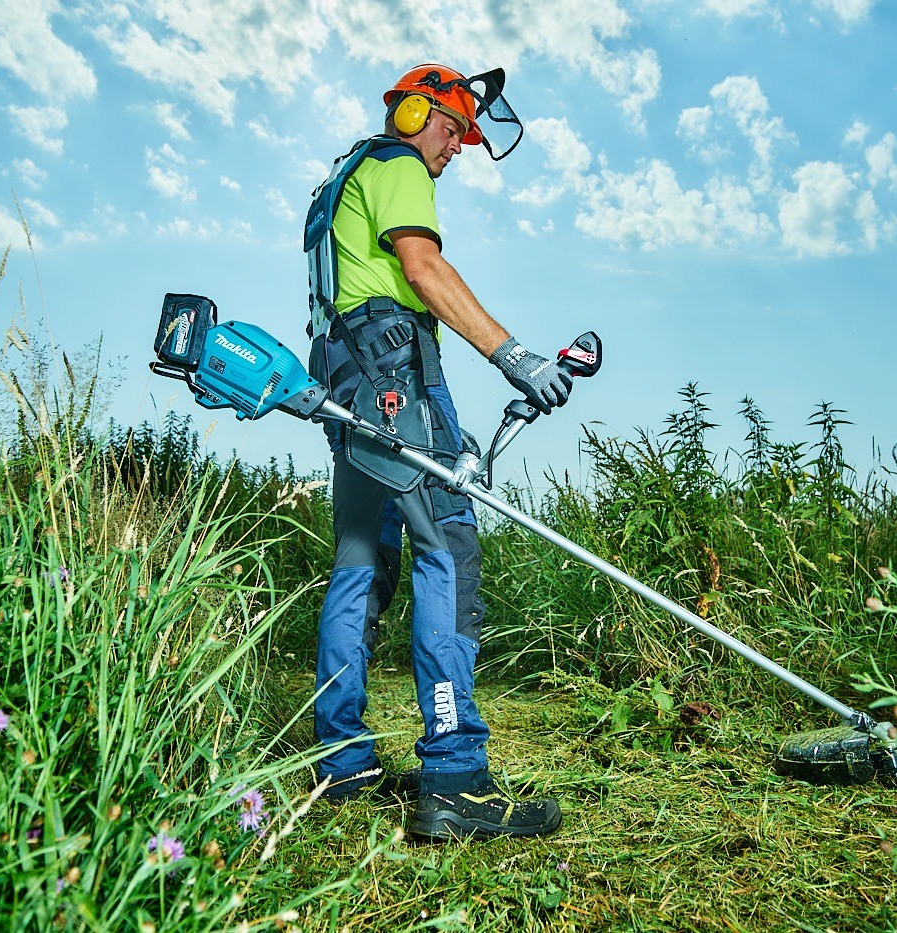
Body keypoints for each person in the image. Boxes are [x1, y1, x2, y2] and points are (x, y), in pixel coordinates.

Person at [302, 64, 571, 840]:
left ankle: (342, 759)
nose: (455, 148)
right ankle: (456, 778)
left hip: (347, 380)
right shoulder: (394, 165)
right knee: (444, 549)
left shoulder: (338, 181)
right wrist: (513, 355)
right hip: (396, 381)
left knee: (360, 556)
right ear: (416, 111)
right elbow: (422, 269)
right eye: (453, 129)